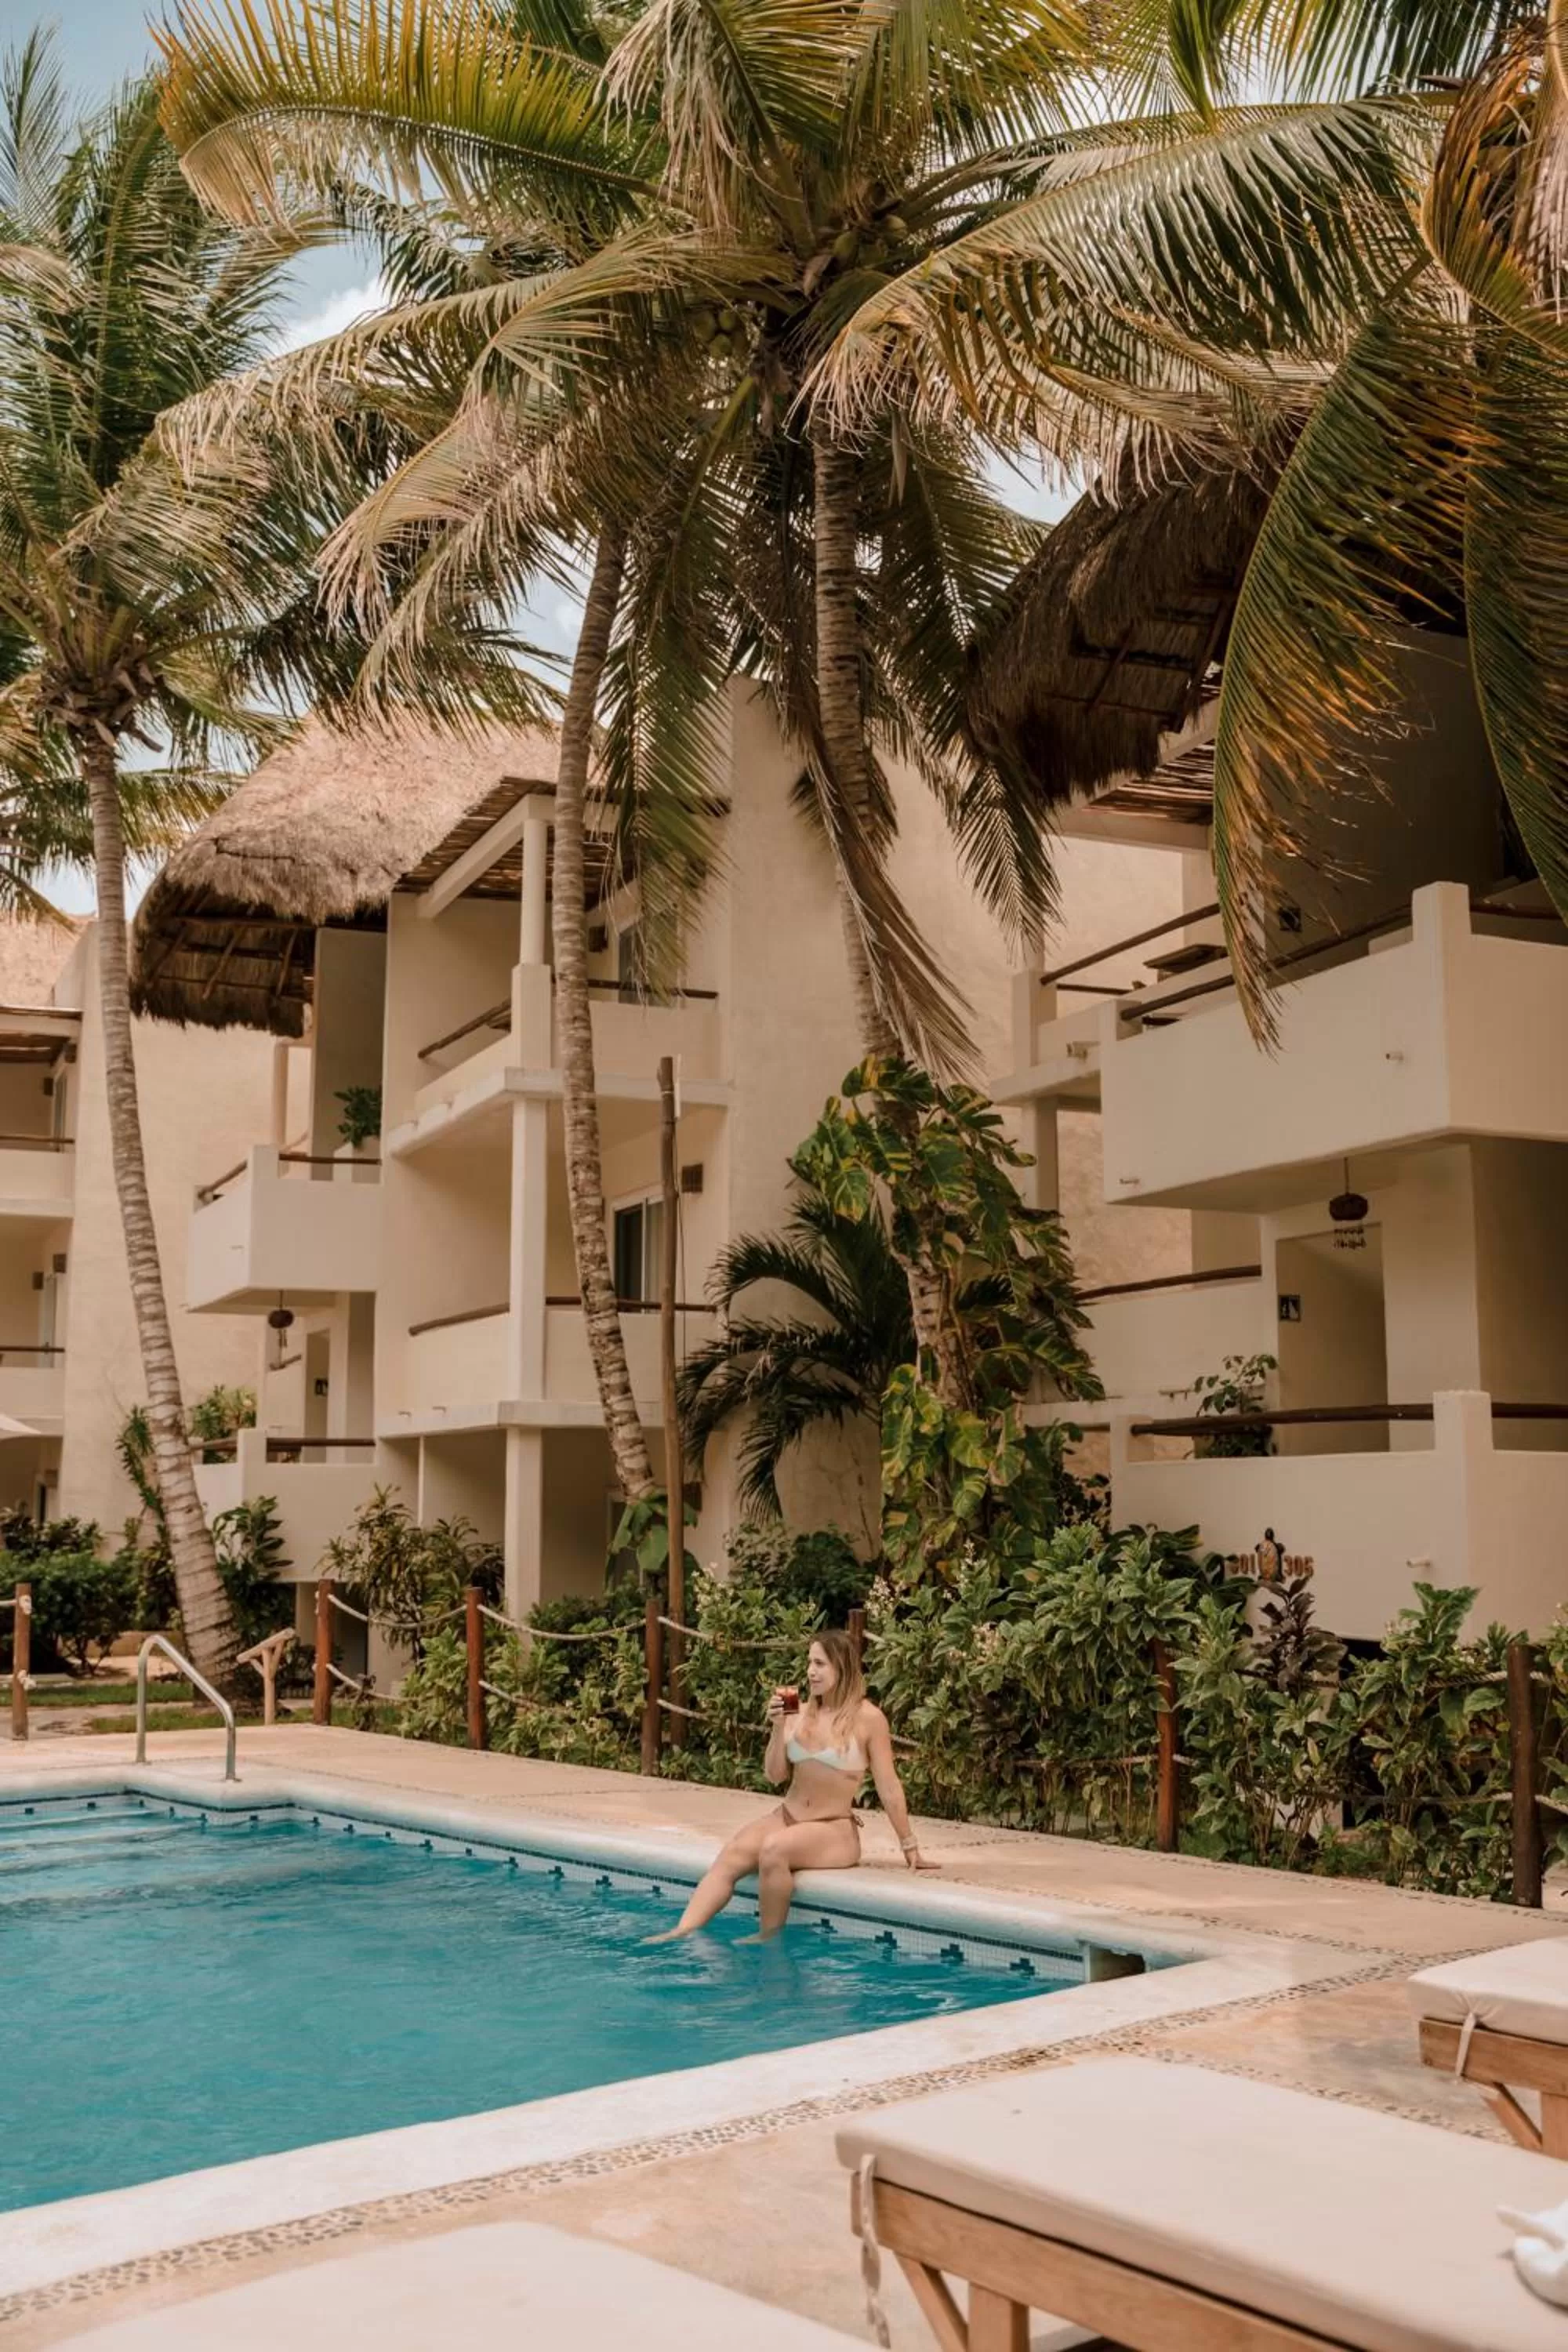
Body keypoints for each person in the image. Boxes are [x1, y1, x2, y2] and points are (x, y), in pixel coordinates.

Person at [645, 1629, 934, 1942]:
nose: (811, 1671)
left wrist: (909, 1845)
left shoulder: (869, 1719)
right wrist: (778, 1728)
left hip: (833, 1829)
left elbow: (888, 1787)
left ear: (843, 1667)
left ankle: (768, 1940)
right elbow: (775, 1775)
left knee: (774, 1850)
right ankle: (681, 1931)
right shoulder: (797, 1709)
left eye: (820, 1664)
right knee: (732, 1853)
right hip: (786, 1817)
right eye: (809, 1662)